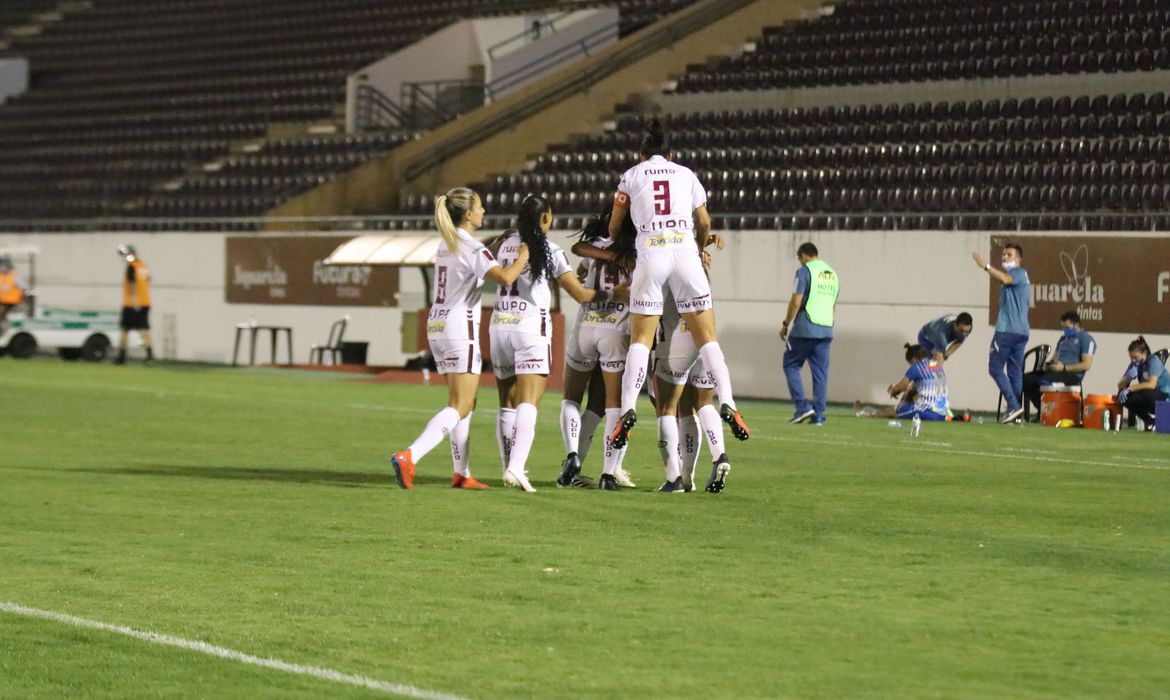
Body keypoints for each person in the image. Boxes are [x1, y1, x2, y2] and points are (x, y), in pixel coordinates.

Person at [607, 118, 749, 451]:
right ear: (670, 155)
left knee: (641, 339)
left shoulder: (631, 175)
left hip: (651, 254)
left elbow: (614, 228)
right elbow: (703, 221)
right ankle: (727, 401)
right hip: (685, 253)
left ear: (642, 155)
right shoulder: (687, 174)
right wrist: (699, 249)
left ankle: (627, 409)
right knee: (707, 337)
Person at [390, 187, 529, 490]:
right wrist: (524, 253)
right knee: (460, 404)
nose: (483, 211)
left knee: (464, 402)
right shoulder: (471, 248)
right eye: (480, 207)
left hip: (438, 324)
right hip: (458, 327)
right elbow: (505, 278)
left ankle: (461, 473)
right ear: (468, 214)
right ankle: (409, 456)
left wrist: (492, 244)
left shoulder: (448, 242)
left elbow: (472, 259)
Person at [490, 195, 619, 492]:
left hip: (499, 326)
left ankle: (508, 465)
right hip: (529, 328)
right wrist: (614, 295)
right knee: (529, 402)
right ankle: (516, 468)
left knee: (506, 402)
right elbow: (581, 295)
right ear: (545, 219)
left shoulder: (504, 244)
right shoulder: (549, 250)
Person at [560, 210, 638, 489]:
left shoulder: (596, 248)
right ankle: (609, 473)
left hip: (584, 327)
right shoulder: (639, 252)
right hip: (615, 330)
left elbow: (580, 261)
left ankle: (572, 461)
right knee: (615, 406)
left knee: (573, 399)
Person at [780, 242, 840, 425]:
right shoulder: (833, 275)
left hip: (806, 327)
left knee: (790, 364)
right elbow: (833, 304)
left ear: (804, 256)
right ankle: (819, 415)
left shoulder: (805, 271)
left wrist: (786, 324)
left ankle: (802, 407)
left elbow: (795, 301)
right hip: (826, 328)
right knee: (821, 373)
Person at [972, 243, 1030, 424]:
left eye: (1009, 255)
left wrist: (986, 266)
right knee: (1014, 372)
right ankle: (1015, 413)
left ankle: (1013, 405)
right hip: (1021, 332)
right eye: (1004, 254)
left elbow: (1005, 279)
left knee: (995, 368)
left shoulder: (1018, 273)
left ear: (1018, 259)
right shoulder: (1019, 276)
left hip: (1007, 331)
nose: (1004, 257)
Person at [1021, 311, 1096, 419]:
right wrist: (1050, 364)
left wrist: (1064, 367)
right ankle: (1042, 410)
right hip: (1056, 371)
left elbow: (1086, 365)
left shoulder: (1086, 339)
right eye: (1063, 328)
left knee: (1043, 382)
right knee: (1025, 379)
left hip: (1072, 374)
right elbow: (1054, 358)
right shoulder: (1063, 339)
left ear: (1076, 325)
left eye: (1067, 327)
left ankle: (1051, 412)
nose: (1065, 330)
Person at [1117, 336, 1170, 431]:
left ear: (1144, 353)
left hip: (1164, 397)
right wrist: (1127, 378)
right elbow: (1120, 386)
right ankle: (1150, 421)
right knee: (1122, 396)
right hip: (1149, 396)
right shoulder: (1134, 364)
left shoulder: (1153, 361)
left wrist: (1130, 388)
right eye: (1131, 358)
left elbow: (1151, 384)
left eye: (1135, 357)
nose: (1133, 360)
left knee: (1145, 392)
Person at [116, 244, 154, 365]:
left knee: (125, 330)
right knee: (144, 330)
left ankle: (121, 357)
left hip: (132, 304)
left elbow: (132, 286)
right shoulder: (142, 266)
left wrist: (134, 301)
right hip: (145, 302)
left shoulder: (131, 267)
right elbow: (148, 280)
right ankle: (149, 356)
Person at [0, 255, 27, 334]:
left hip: (14, 303)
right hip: (3, 303)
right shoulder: (1, 276)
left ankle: (3, 331)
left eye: (3, 265)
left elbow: (24, 289)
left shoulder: (15, 276)